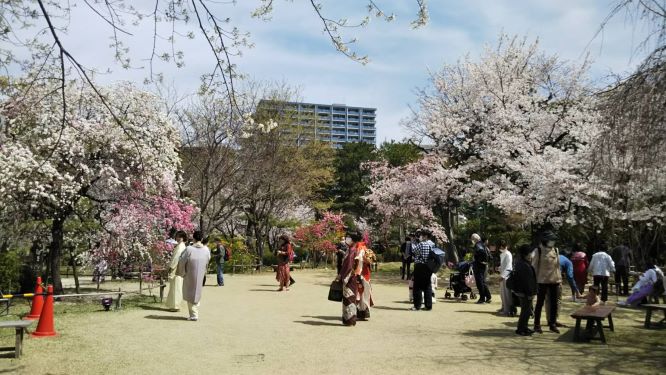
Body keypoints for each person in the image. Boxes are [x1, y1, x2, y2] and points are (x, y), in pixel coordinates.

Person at [337, 230, 373, 326]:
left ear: (352, 239)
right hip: (356, 275)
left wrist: (344, 277)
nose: (346, 239)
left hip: (354, 276)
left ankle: (350, 319)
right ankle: (354, 317)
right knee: (356, 297)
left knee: (351, 298)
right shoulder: (354, 248)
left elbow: (349, 265)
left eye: (348, 237)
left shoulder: (354, 249)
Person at [531, 230, 562, 334]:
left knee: (554, 304)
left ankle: (552, 324)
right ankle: (537, 324)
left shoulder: (556, 250)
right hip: (542, 281)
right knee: (539, 303)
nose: (552, 242)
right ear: (545, 240)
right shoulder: (538, 251)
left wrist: (559, 279)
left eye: (553, 240)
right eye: (550, 240)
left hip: (554, 281)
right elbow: (534, 267)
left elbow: (557, 266)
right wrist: (534, 281)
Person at [176, 230, 211, 321]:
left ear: (193, 238)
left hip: (189, 274)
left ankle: (193, 314)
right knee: (197, 292)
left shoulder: (189, 249)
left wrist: (181, 272)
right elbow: (207, 261)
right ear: (202, 238)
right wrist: (204, 271)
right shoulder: (206, 250)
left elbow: (182, 261)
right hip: (200, 274)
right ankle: (194, 311)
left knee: (190, 292)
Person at [512, 244, 537, 336]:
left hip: (523, 292)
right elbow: (527, 282)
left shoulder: (521, 263)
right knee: (525, 311)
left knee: (526, 311)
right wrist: (530, 293)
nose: (531, 255)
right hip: (525, 293)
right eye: (530, 253)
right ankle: (521, 329)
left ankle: (524, 327)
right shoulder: (524, 265)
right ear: (526, 254)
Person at [410, 230, 435, 311]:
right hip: (429, 267)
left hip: (420, 266)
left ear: (425, 236)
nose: (421, 237)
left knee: (417, 286)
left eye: (422, 235)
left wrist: (413, 242)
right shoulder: (432, 244)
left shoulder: (421, 244)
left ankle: (417, 306)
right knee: (427, 286)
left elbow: (414, 251)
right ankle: (428, 306)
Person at [166, 231, 187, 311]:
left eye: (179, 237)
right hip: (179, 268)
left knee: (176, 287)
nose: (177, 238)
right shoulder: (181, 246)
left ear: (183, 238)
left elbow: (176, 258)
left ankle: (175, 306)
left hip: (177, 269)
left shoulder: (181, 246)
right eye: (177, 236)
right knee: (176, 287)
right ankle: (175, 305)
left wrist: (171, 267)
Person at [471, 233, 492, 304]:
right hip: (483, 266)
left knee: (480, 282)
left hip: (479, 266)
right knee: (482, 282)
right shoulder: (483, 245)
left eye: (472, 239)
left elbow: (481, 254)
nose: (472, 240)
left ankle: (482, 298)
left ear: (475, 239)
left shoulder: (478, 245)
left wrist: (480, 261)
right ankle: (488, 297)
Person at [498, 240, 514, 316]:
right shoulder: (502, 254)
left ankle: (507, 310)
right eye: (500, 247)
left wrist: (503, 276)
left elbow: (509, 266)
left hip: (506, 276)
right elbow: (503, 265)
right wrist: (499, 268)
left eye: (503, 246)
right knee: (502, 293)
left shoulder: (508, 254)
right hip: (502, 275)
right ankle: (504, 307)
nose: (501, 248)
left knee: (507, 294)